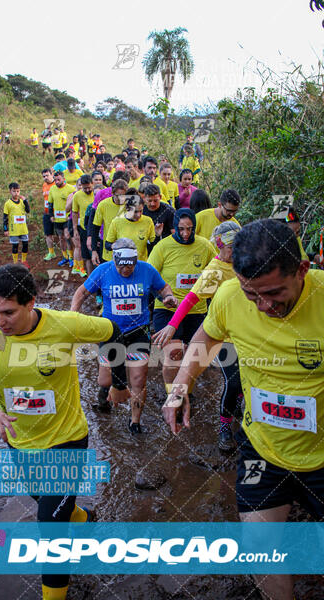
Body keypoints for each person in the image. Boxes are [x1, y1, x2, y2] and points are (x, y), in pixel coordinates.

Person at [0, 264, 130, 600]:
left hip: (67, 439)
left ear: (31, 303)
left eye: (8, 312)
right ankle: (80, 517)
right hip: (21, 441)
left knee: (50, 526)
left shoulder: (64, 325)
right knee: (46, 501)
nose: (0, 321)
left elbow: (113, 330)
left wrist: (120, 384)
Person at [162, 219, 324, 600]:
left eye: (274, 293)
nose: (264, 306)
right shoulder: (231, 295)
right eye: (254, 296)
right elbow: (206, 337)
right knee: (260, 549)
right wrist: (180, 387)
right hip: (263, 450)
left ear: (302, 270)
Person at [153, 221, 242, 450]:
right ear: (220, 245)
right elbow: (190, 299)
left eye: (239, 244)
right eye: (232, 246)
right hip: (223, 336)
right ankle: (225, 426)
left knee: (246, 382)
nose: (236, 250)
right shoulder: (214, 271)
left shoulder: (246, 262)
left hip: (247, 333)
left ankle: (242, 411)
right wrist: (173, 325)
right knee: (233, 381)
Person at [70, 239, 176, 431]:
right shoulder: (103, 271)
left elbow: (163, 288)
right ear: (114, 260)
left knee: (138, 380)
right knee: (105, 380)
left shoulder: (147, 270)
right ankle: (104, 398)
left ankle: (135, 422)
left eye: (130, 266)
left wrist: (168, 297)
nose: (126, 270)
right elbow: (81, 292)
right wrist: (73, 317)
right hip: (110, 332)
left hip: (138, 333)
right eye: (121, 267)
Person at [148, 208, 215, 391]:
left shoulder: (206, 246)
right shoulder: (162, 247)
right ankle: (173, 395)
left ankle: (186, 392)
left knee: (192, 357)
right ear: (174, 228)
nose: (186, 234)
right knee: (174, 355)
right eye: (181, 229)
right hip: (167, 308)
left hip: (197, 310)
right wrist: (163, 297)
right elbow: (149, 279)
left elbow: (215, 273)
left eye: (190, 229)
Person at [105, 192, 155, 262]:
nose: (138, 215)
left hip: (141, 263)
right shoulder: (116, 222)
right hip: (122, 264)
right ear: (127, 209)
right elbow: (107, 245)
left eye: (141, 211)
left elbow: (153, 245)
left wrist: (158, 235)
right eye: (135, 212)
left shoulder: (148, 221)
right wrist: (117, 246)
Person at [91, 177, 128, 265]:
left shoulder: (131, 204)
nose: (121, 199)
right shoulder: (103, 205)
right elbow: (95, 228)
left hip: (127, 250)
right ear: (112, 193)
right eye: (118, 196)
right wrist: (94, 251)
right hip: (108, 250)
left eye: (124, 195)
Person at [48, 171, 75, 266]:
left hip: (67, 218)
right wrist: (51, 215)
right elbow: (50, 204)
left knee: (68, 236)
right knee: (61, 238)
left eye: (58, 179)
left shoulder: (71, 188)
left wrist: (71, 215)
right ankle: (65, 257)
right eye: (55, 180)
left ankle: (71, 257)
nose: (56, 181)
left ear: (64, 179)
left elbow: (75, 204)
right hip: (57, 218)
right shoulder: (52, 189)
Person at [3, 183, 30, 268]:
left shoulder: (22, 201)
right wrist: (5, 229)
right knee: (15, 245)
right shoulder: (8, 203)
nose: (16, 193)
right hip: (14, 229)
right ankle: (15, 262)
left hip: (23, 228)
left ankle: (24, 260)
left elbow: (28, 211)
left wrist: (26, 201)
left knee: (25, 244)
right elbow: (5, 217)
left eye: (18, 191)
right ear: (10, 191)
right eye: (14, 191)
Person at [72, 174, 95, 275]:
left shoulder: (98, 193)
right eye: (84, 188)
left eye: (89, 187)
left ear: (93, 184)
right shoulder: (77, 195)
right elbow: (75, 212)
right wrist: (75, 229)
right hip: (84, 229)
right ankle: (90, 279)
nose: (87, 190)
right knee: (87, 256)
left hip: (98, 229)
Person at [142, 183, 175, 251]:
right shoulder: (141, 210)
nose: (152, 204)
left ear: (160, 197)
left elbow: (174, 233)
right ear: (144, 198)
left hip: (164, 248)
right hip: (145, 247)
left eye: (155, 200)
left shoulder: (168, 211)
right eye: (149, 201)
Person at [41, 168, 56, 261]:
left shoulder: (56, 184)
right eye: (44, 176)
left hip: (57, 213)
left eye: (47, 175)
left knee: (61, 234)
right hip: (47, 212)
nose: (46, 178)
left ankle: (67, 255)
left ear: (52, 174)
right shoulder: (44, 185)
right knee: (48, 234)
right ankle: (51, 252)